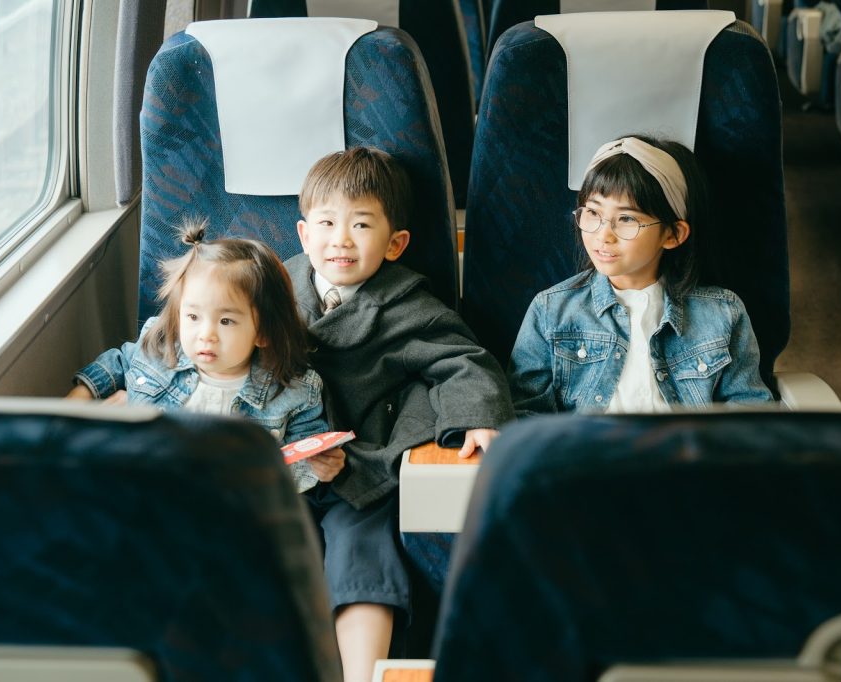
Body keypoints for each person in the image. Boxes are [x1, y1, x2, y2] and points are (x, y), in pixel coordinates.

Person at [286, 146, 514, 682]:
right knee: (269, 546)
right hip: (283, 467)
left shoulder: (408, 306)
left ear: (395, 244)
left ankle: (364, 674)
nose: (340, 239)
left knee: (362, 556)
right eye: (326, 223)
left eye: (361, 224)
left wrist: (480, 418)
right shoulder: (271, 288)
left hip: (359, 467)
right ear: (302, 235)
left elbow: (464, 361)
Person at [66, 221, 345, 491]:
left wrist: (317, 468)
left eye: (226, 321)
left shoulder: (294, 391)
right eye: (193, 316)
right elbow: (120, 361)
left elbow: (304, 454)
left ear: (263, 333)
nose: (205, 334)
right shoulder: (164, 346)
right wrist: (79, 398)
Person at [509, 134, 774, 415]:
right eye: (592, 213)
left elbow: (749, 410)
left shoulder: (722, 313)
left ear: (672, 234)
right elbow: (526, 412)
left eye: (627, 219)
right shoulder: (551, 311)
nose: (603, 235)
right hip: (585, 455)